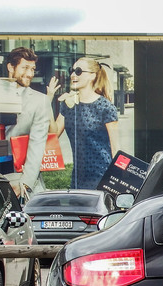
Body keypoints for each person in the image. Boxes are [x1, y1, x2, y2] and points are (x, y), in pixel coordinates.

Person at [48, 57, 119, 189]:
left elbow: (115, 149)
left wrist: (117, 179)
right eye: (72, 70)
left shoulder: (105, 107)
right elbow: (53, 134)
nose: (73, 75)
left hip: (101, 175)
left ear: (92, 76)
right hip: (78, 176)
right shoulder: (68, 104)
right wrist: (47, 101)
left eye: (79, 71)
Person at [4, 47, 51, 197]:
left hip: (20, 178)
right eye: (25, 68)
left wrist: (25, 183)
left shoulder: (40, 101)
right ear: (11, 67)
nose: (30, 74)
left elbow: (37, 143)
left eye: (33, 69)